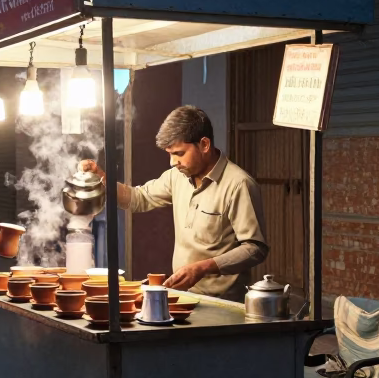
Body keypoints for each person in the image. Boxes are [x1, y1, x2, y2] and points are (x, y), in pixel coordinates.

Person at [78, 105, 268, 301]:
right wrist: (101, 178)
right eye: (170, 154)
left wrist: (203, 268)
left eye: (179, 153)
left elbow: (255, 248)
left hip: (223, 304)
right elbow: (137, 198)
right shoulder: (176, 177)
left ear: (204, 145)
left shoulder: (238, 184)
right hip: (183, 297)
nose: (172, 162)